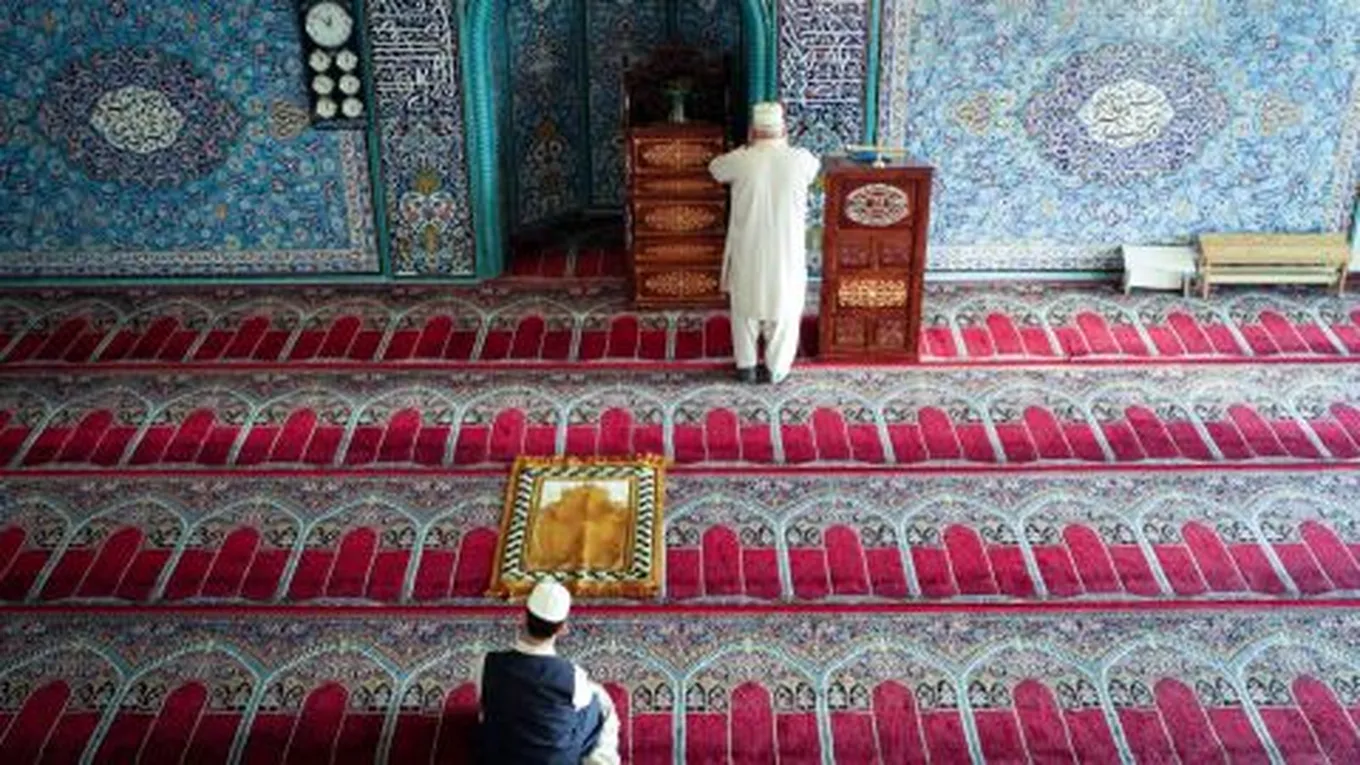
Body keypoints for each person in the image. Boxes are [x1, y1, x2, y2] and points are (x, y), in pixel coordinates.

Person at [708, 101, 821, 384]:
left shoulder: (740, 160)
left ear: (752, 131)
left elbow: (715, 168)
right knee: (784, 308)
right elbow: (814, 169)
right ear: (784, 130)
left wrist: (744, 149)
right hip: (786, 252)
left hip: (748, 248)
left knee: (745, 308)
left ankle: (746, 365)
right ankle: (775, 368)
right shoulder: (801, 159)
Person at [474, 580, 620, 765]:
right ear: (562, 629)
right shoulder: (573, 676)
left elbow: (483, 707)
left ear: (523, 618)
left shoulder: (486, 662)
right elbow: (581, 707)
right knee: (601, 704)